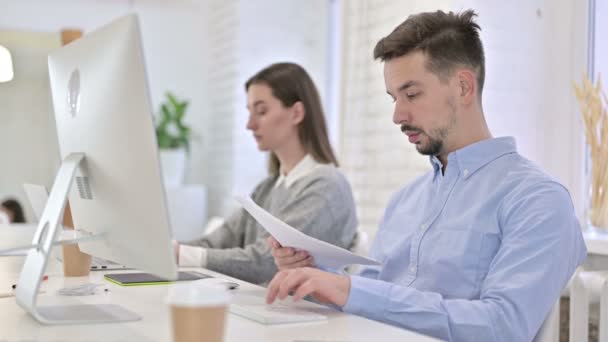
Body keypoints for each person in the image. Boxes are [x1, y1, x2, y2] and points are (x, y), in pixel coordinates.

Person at [266, 10, 586, 341]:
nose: (397, 115)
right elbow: (370, 295)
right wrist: (311, 276)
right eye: (394, 98)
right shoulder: (406, 199)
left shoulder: (538, 200)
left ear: (463, 87)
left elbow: (502, 326)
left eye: (412, 94)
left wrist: (348, 290)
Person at [176, 62, 358, 285]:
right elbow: (218, 242)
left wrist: (182, 255)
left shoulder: (327, 186)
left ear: (297, 113)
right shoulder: (268, 187)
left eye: (261, 111)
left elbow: (265, 262)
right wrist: (169, 250)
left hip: (307, 316)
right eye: (250, 112)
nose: (250, 124)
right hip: (267, 310)